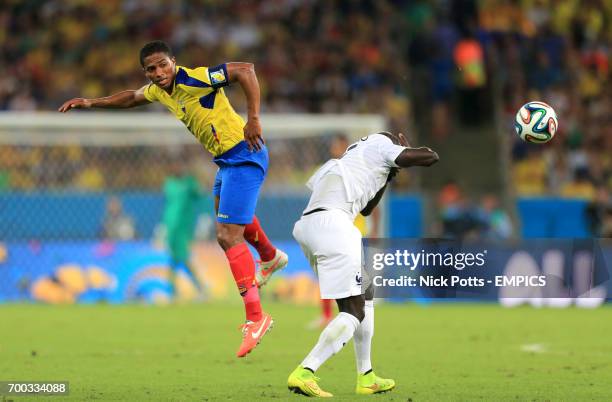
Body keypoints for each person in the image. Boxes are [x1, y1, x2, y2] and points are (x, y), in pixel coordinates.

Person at [59, 40, 288, 358]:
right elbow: (130, 98)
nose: (158, 72)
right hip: (226, 162)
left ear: (173, 62)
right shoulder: (158, 91)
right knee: (234, 220)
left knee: (227, 235)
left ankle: (256, 317)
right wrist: (90, 102)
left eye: (163, 64)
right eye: (151, 69)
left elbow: (245, 71)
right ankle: (270, 256)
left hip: (244, 156)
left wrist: (254, 119)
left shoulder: (195, 78)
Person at [288, 132, 439, 397]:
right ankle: (305, 371)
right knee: (354, 312)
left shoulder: (355, 156)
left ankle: (366, 376)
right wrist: (405, 151)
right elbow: (429, 157)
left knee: (364, 295)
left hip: (308, 227)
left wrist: (390, 173)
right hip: (335, 227)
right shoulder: (382, 144)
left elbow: (367, 209)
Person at [309, 134, 381, 330]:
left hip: (353, 230)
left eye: (338, 145)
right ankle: (328, 315)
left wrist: (374, 229)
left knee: (354, 275)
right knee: (327, 272)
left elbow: (375, 205)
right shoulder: (327, 171)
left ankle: (357, 314)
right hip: (331, 229)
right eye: (333, 145)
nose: (335, 149)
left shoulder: (359, 173)